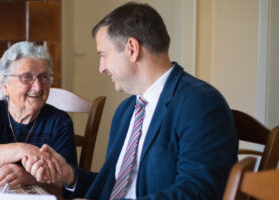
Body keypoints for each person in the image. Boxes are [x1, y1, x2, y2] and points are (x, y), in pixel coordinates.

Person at [23, 2, 238, 199]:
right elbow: (114, 185)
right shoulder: (126, 111)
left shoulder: (200, 104)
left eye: (103, 55)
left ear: (132, 49)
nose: (101, 67)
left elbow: (199, 191)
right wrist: (70, 176)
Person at [0, 41, 77, 188]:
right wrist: (21, 150)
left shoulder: (59, 122)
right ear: (4, 85)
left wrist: (28, 177)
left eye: (44, 77)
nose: (38, 86)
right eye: (27, 77)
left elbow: (66, 179)